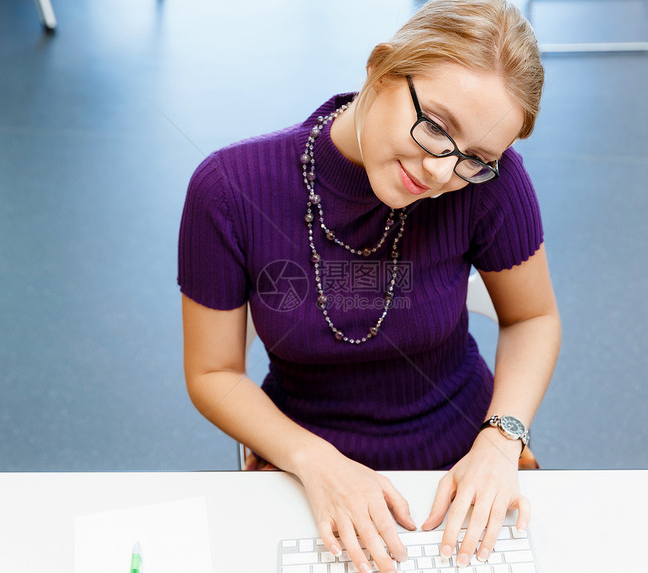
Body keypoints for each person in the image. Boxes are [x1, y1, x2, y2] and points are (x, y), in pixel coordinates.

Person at [178, 0, 561, 571]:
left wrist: (501, 441)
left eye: (474, 158)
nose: (439, 173)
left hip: (463, 460)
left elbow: (533, 318)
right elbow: (213, 373)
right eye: (434, 126)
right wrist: (310, 459)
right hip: (302, 468)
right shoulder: (229, 190)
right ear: (380, 68)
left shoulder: (491, 187)